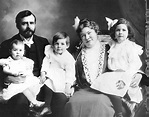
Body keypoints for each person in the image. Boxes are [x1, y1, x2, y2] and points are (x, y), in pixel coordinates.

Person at [0, 10, 66, 117]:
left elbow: (52, 63)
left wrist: (46, 75)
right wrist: (7, 79)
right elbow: (1, 72)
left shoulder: (43, 42)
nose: (28, 26)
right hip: (20, 87)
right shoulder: (7, 45)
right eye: (24, 23)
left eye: (31, 23)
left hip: (40, 84)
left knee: (60, 97)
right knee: (21, 101)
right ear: (17, 25)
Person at [63, 17, 116, 117]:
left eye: (89, 33)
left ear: (96, 32)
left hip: (104, 91)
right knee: (72, 104)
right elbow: (70, 72)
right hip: (84, 90)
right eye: (83, 35)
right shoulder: (77, 55)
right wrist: (69, 85)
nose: (87, 37)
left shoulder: (109, 49)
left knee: (99, 102)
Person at [91, 18, 143, 117]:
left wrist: (125, 79)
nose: (120, 32)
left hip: (125, 75)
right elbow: (99, 38)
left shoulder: (129, 46)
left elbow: (135, 64)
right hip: (112, 74)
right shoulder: (113, 44)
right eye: (118, 30)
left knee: (114, 90)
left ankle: (119, 112)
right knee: (101, 87)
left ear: (128, 33)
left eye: (124, 30)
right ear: (114, 33)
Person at [39, 31, 76, 116]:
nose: (59, 46)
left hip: (60, 76)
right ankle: (47, 106)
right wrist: (43, 73)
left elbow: (70, 73)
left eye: (62, 44)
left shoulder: (68, 58)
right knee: (46, 85)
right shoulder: (50, 52)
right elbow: (45, 63)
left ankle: (54, 109)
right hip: (50, 73)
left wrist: (68, 85)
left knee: (59, 92)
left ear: (67, 45)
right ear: (53, 45)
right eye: (57, 44)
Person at [0, 39, 44, 107]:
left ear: (24, 52)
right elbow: (4, 70)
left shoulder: (25, 61)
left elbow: (29, 71)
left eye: (20, 50)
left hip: (24, 80)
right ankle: (35, 102)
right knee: (25, 90)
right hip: (15, 83)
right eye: (15, 50)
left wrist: (25, 73)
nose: (18, 52)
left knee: (31, 87)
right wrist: (12, 73)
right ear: (10, 51)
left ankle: (32, 103)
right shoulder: (9, 61)